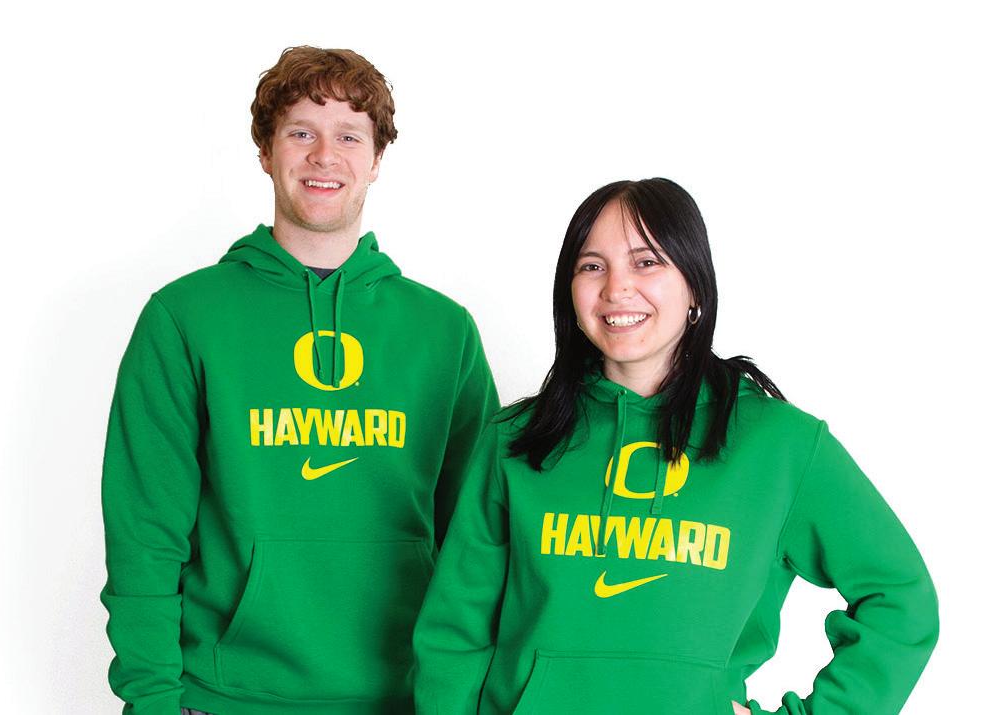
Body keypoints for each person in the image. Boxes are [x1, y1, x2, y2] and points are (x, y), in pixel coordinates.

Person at [412, 178, 938, 714]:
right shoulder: (516, 440)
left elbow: (901, 599)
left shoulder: (781, 446)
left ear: (695, 287)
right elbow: (454, 635)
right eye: (592, 266)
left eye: (646, 262)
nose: (617, 288)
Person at [101, 46, 498, 715]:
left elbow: (479, 542)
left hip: (403, 696)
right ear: (266, 151)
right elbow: (144, 533)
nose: (324, 156)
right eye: (301, 133)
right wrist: (151, 700)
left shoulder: (444, 331)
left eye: (349, 136)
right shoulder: (185, 317)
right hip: (224, 696)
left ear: (376, 160)